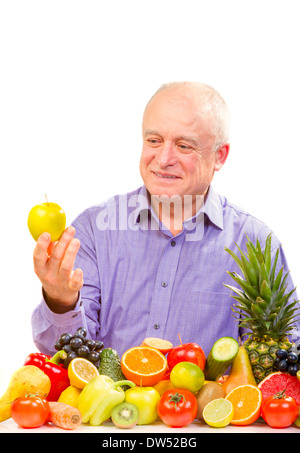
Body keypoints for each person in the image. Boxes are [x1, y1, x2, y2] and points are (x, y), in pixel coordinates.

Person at [31, 81, 299, 358]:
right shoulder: (94, 230)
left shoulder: (254, 244)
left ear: (219, 156)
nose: (163, 159)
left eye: (184, 146)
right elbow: (65, 360)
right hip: (107, 401)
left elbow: (281, 359)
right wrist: (61, 301)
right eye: (154, 141)